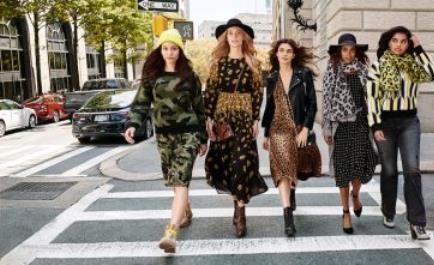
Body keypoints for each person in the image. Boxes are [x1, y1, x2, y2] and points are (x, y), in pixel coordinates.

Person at [123, 29, 208, 253]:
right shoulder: (152, 77)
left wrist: (203, 138)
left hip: (188, 134)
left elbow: (200, 109)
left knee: (180, 181)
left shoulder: (190, 76)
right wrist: (132, 124)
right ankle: (186, 211)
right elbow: (141, 104)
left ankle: (171, 232)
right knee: (174, 180)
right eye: (166, 48)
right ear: (160, 50)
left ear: (180, 50)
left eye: (174, 48)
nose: (170, 52)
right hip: (164, 135)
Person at [367, 26, 434, 240]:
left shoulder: (414, 66)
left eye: (404, 41)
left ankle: (417, 223)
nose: (399, 45)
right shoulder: (378, 66)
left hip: (409, 123)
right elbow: (371, 98)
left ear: (409, 44)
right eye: (395, 40)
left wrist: (419, 48)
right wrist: (375, 126)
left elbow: (432, 74)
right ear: (388, 43)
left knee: (412, 170)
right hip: (385, 123)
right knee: (389, 171)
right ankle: (388, 210)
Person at [204, 18, 268, 238]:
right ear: (225, 38)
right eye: (230, 33)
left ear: (244, 37)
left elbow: (258, 93)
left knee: (241, 164)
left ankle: (241, 214)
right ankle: (236, 205)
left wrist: (256, 119)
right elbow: (210, 93)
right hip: (223, 118)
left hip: (243, 119)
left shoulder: (253, 63)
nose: (233, 37)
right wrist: (209, 119)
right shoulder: (217, 63)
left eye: (237, 33)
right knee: (227, 164)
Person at [322, 33, 378, 234]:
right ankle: (345, 212)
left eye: (352, 49)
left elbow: (372, 99)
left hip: (361, 125)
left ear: (356, 52)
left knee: (359, 167)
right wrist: (326, 128)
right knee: (343, 170)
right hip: (341, 126)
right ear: (339, 52)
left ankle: (356, 195)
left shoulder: (364, 71)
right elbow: (326, 101)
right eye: (344, 49)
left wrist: (375, 126)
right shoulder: (331, 71)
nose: (348, 53)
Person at [262, 39, 317, 237]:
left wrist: (306, 129)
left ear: (294, 55)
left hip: (298, 127)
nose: (285, 54)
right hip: (277, 129)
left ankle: (292, 191)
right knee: (281, 170)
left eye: (289, 51)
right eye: (281, 50)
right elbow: (269, 108)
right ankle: (288, 218)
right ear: (276, 54)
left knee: (293, 167)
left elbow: (312, 104)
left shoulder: (303, 75)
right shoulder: (271, 78)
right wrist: (266, 133)